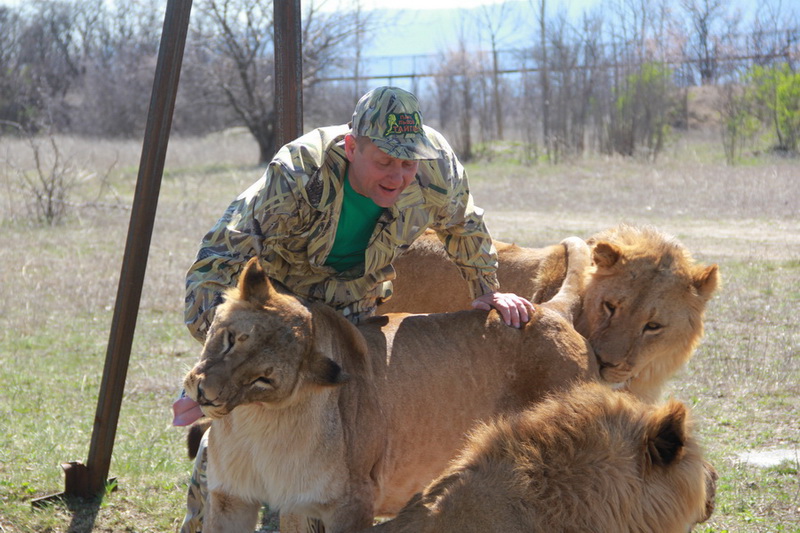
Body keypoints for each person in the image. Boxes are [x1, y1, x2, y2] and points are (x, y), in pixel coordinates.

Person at [175, 86, 533, 533]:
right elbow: (217, 260)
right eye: (384, 161)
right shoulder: (298, 171)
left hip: (351, 309)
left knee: (331, 448)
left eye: (407, 163)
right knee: (234, 434)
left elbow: (464, 222)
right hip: (278, 310)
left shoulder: (436, 166)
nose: (399, 175)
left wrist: (486, 287)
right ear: (351, 146)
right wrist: (226, 358)